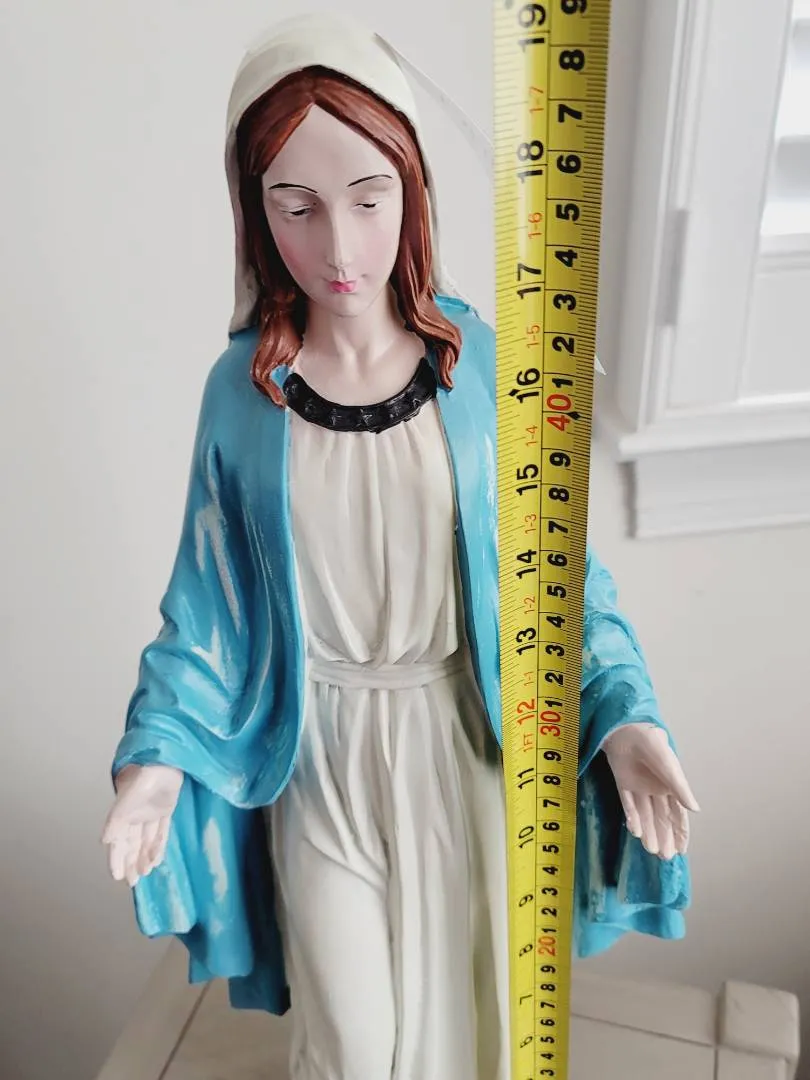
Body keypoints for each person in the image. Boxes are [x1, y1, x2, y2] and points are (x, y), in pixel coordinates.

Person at [101, 13, 699, 1080]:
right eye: (298, 206)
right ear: (255, 214)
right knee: (351, 1040)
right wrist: (156, 761)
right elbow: (204, 608)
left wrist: (623, 716)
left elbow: (561, 581)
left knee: (481, 1016)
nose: (338, 246)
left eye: (369, 198)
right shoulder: (242, 398)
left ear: (413, 194)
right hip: (321, 754)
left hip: (465, 743)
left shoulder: (484, 374)